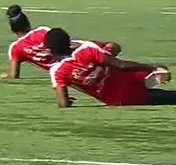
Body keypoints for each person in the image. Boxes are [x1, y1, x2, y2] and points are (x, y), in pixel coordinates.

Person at [45, 27, 175, 107]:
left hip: (119, 97)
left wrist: (67, 101)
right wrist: (151, 67)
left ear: (51, 50)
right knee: (160, 71)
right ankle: (154, 74)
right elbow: (121, 65)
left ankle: (154, 77)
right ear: (69, 41)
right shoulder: (87, 50)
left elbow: (63, 103)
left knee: (166, 97)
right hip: (127, 78)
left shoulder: (57, 72)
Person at [2, 4, 121, 79]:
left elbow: (14, 75)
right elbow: (61, 40)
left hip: (68, 66)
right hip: (75, 51)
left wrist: (5, 75)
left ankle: (104, 63)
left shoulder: (16, 48)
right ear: (28, 23)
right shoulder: (42, 30)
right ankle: (106, 59)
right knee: (111, 46)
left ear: (12, 29)